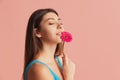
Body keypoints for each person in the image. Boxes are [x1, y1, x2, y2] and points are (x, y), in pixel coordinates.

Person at [22, 8, 76, 80]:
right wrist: (69, 77)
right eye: (51, 23)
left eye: (60, 23)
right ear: (37, 32)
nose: (60, 26)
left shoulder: (59, 62)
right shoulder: (39, 69)